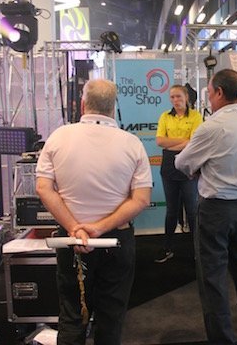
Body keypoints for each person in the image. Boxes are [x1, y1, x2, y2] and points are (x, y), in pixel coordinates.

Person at [36, 79, 152, 345]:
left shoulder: (59, 136)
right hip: (116, 240)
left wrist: (74, 227)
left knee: (72, 315)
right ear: (113, 107)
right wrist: (99, 228)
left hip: (72, 240)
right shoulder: (132, 143)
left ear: (82, 104)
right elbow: (141, 199)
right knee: (111, 318)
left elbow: (43, 188)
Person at [175, 69, 237, 345]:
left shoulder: (212, 127)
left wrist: (198, 168)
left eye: (209, 92)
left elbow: (182, 162)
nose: (208, 98)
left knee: (213, 278)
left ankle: (223, 340)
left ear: (219, 92)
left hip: (215, 210)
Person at [154, 84, 202, 263]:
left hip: (189, 167)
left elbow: (194, 142)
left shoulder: (196, 116)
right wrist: (184, 141)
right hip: (168, 168)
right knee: (171, 211)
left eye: (179, 96)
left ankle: (198, 250)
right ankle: (167, 248)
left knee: (192, 210)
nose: (175, 100)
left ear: (186, 97)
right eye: (172, 97)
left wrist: (172, 144)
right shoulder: (165, 116)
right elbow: (160, 141)